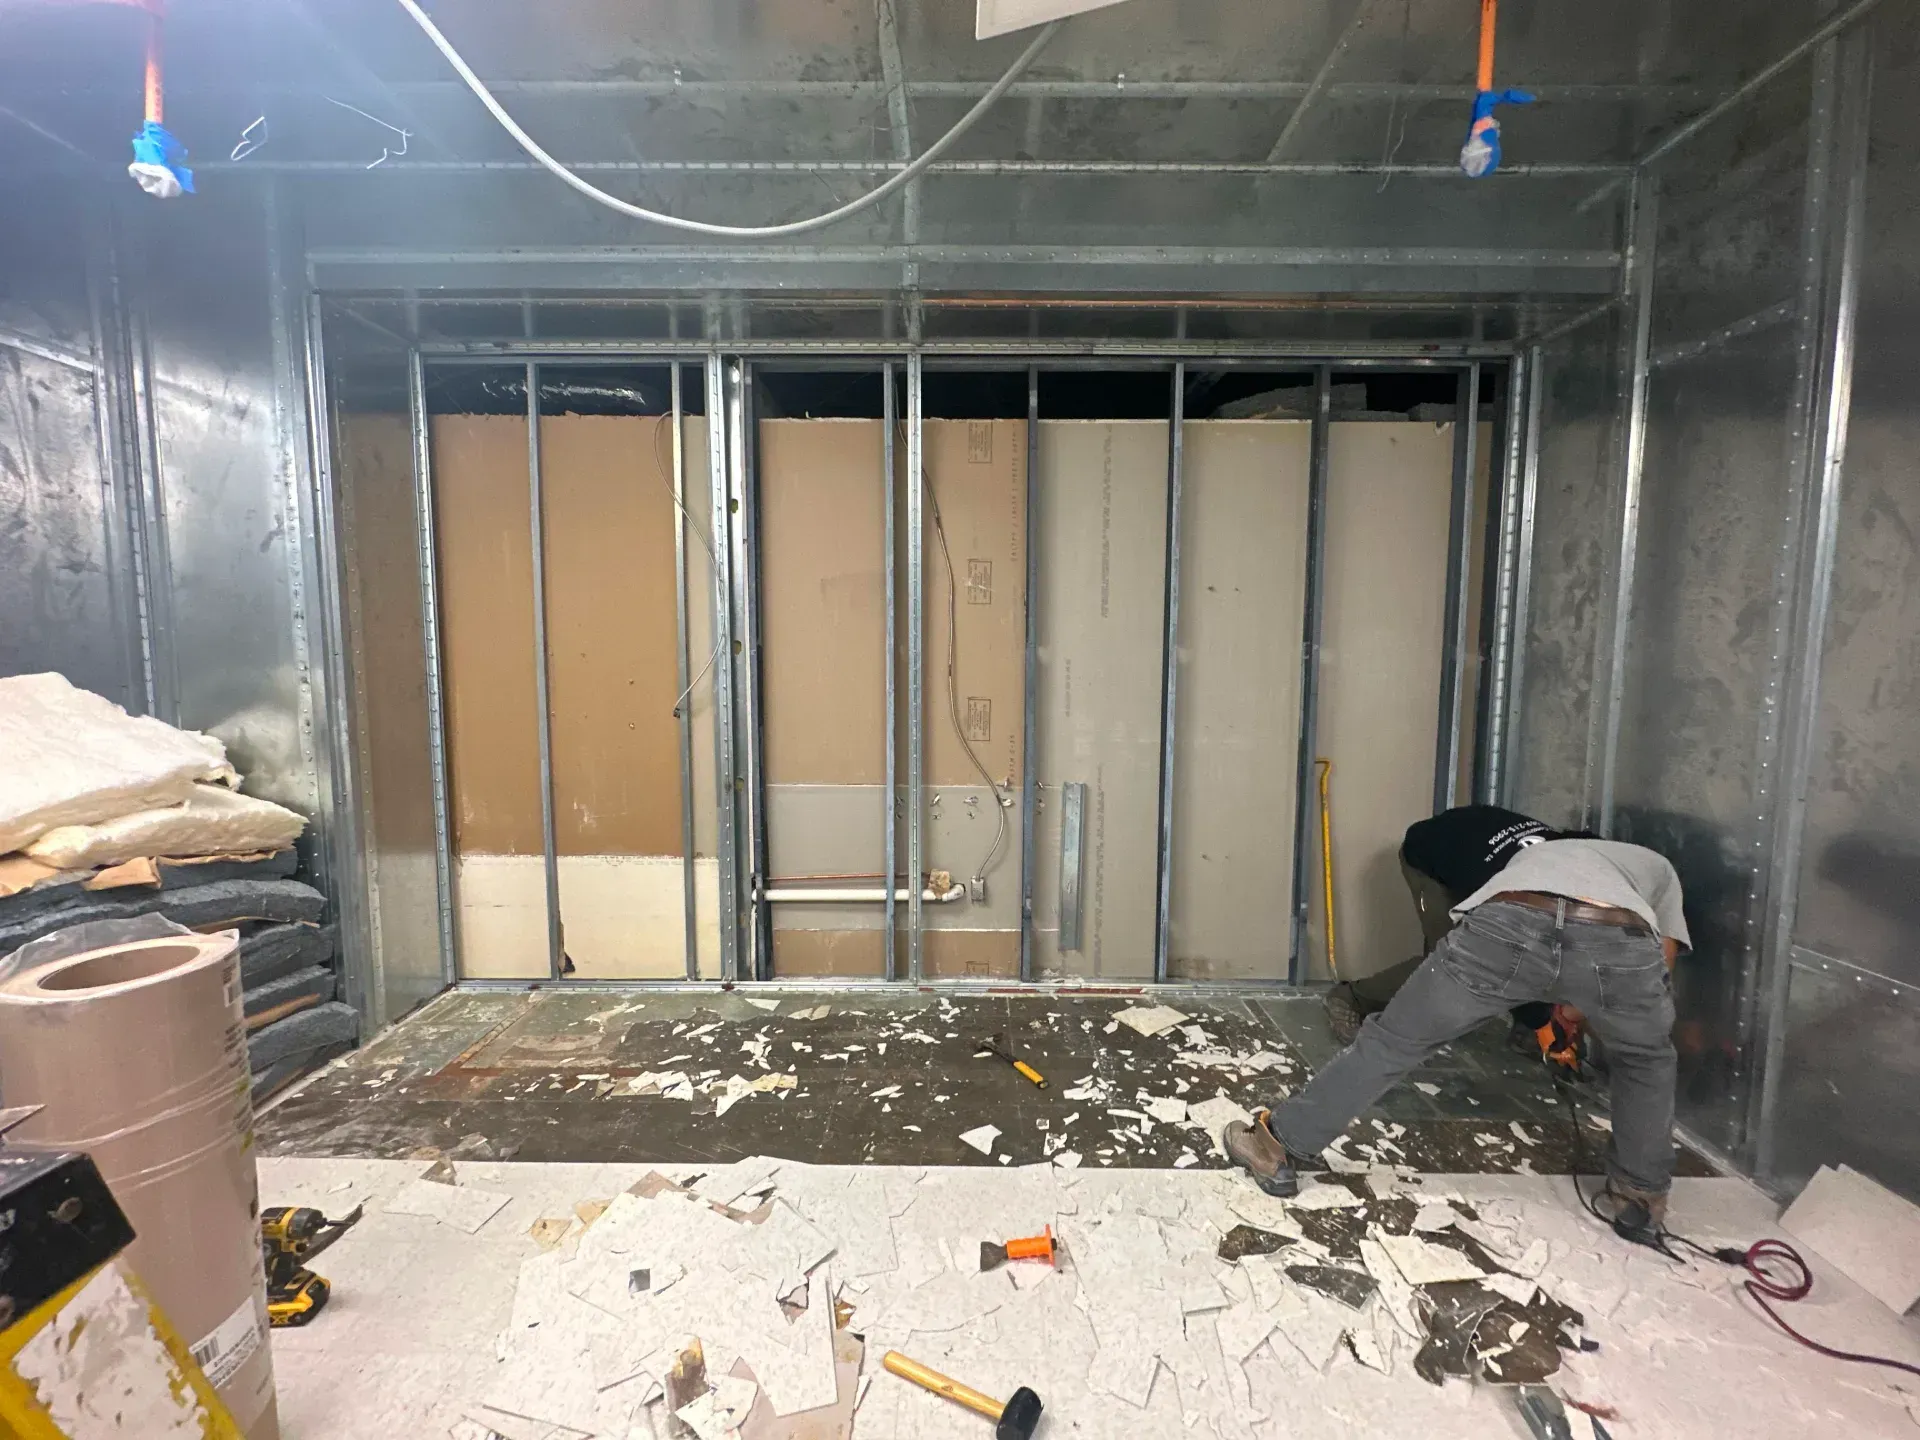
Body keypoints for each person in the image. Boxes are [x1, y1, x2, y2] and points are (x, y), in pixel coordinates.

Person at [1228, 835, 1690, 1222]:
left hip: (1511, 919)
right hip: (1619, 937)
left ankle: (1275, 1147)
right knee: (1645, 1060)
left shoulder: (1537, 854)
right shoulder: (1656, 867)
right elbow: (1659, 955)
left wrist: (1563, 1005)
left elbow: (1551, 931)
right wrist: (1612, 1017)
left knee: (1392, 1042)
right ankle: (1639, 1199)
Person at [1324, 805, 1571, 1046]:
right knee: (1451, 963)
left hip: (1478, 843)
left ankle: (1528, 1028)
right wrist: (1540, 1019)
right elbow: (1511, 953)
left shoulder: (1579, 881)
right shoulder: (1513, 895)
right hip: (1432, 856)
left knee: (1523, 953)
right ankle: (1351, 998)